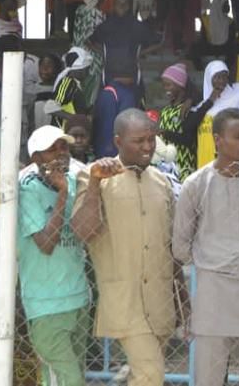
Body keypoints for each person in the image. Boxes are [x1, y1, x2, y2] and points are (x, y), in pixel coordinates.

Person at [72, 109, 178, 386]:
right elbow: (83, 231)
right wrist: (96, 184)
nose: (147, 147)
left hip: (161, 300)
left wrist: (183, 302)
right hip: (125, 299)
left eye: (151, 139)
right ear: (118, 141)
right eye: (138, 141)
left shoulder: (162, 182)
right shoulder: (93, 176)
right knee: (151, 375)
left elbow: (172, 245)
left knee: (144, 376)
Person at [173, 107, 239, 386]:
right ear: (218, 141)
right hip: (214, 296)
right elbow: (180, 247)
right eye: (238, 137)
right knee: (208, 378)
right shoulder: (196, 184)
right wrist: (213, 261)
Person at [19, 125, 91, 386]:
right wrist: (61, 195)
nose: (61, 153)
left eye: (64, 146)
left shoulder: (75, 179)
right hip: (46, 305)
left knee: (70, 377)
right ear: (36, 158)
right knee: (68, 381)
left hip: (78, 297)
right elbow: (47, 244)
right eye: (53, 149)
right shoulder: (27, 189)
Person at [90, 0, 162, 84]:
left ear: (130, 6)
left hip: (131, 75)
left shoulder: (138, 26)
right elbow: (89, 42)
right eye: (118, 3)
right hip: (109, 75)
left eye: (125, 4)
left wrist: (138, 54)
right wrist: (105, 53)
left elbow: (158, 43)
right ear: (114, 5)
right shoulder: (106, 26)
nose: (121, 6)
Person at [193, 60, 239, 167]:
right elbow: (190, 125)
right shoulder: (202, 105)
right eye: (217, 77)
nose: (221, 81)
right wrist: (211, 100)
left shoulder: (236, 101)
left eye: (224, 77)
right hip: (205, 160)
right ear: (209, 78)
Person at [157, 63, 202, 180]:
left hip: (184, 167)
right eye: (164, 85)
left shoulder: (189, 110)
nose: (166, 89)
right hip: (166, 168)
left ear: (180, 86)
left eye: (169, 85)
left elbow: (188, 140)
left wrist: (164, 133)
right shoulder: (166, 110)